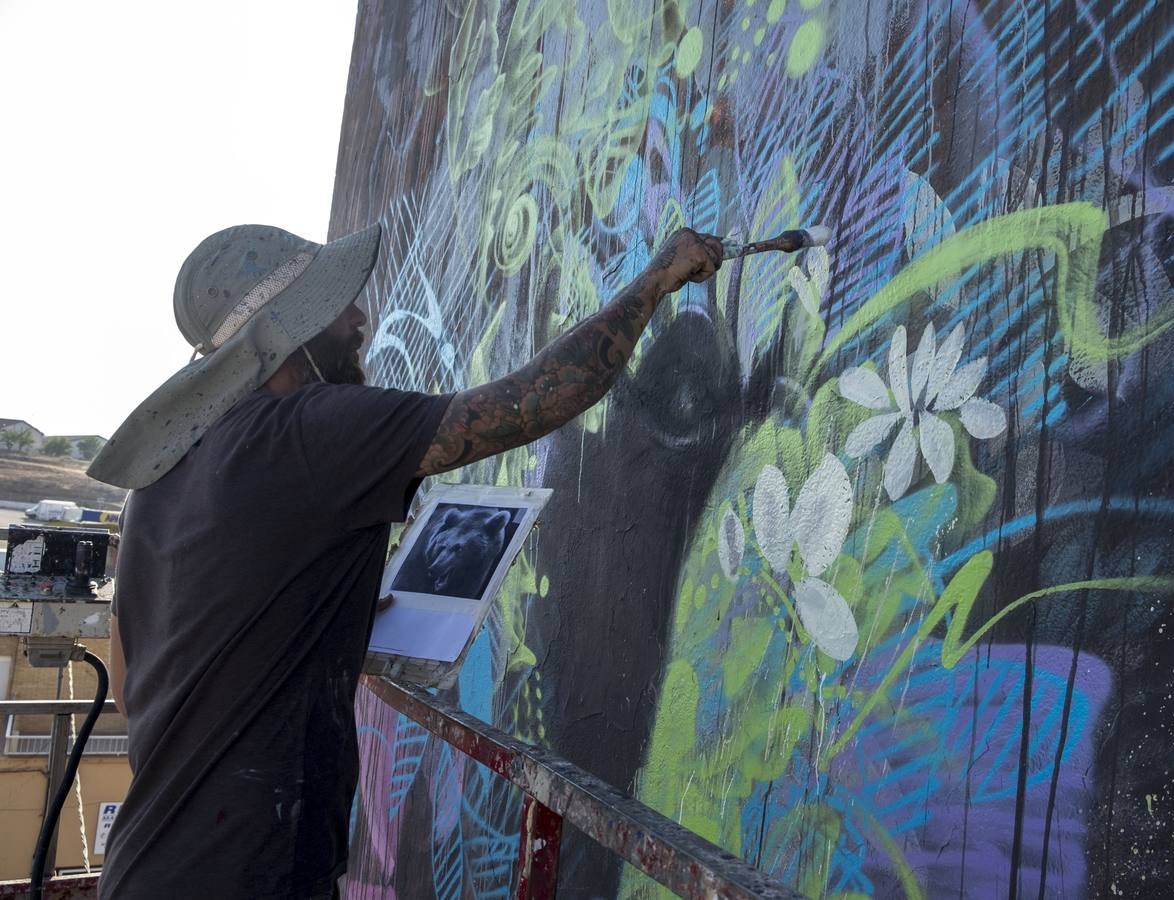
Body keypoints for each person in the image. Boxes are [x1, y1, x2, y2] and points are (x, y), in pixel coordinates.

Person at [89, 222, 723, 899]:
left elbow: (132, 680)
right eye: (334, 306)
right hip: (243, 879)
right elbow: (533, 401)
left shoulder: (162, 477)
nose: (359, 317)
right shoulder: (311, 432)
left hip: (152, 868)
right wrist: (656, 280)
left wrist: (322, 618)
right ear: (288, 334)